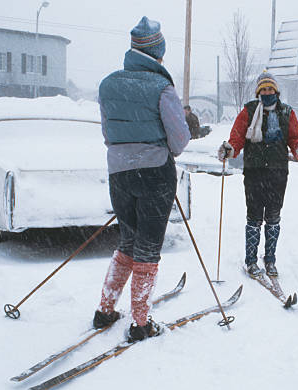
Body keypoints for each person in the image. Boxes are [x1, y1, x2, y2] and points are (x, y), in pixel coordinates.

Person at [93, 16, 191, 343]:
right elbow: (180, 138)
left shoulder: (108, 85)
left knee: (128, 241)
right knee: (148, 247)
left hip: (119, 173)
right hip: (155, 173)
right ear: (158, 52)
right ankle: (140, 322)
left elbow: (108, 134)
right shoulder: (161, 87)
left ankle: (105, 309)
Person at [217, 71, 298, 277]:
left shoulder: (286, 112)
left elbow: (294, 137)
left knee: (274, 216)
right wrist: (230, 149)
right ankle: (251, 260)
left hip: (278, 171)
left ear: (276, 91)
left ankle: (270, 259)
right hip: (254, 171)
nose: (267, 92)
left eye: (270, 89)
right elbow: (237, 137)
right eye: (263, 89)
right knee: (254, 216)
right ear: (258, 92)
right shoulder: (249, 111)